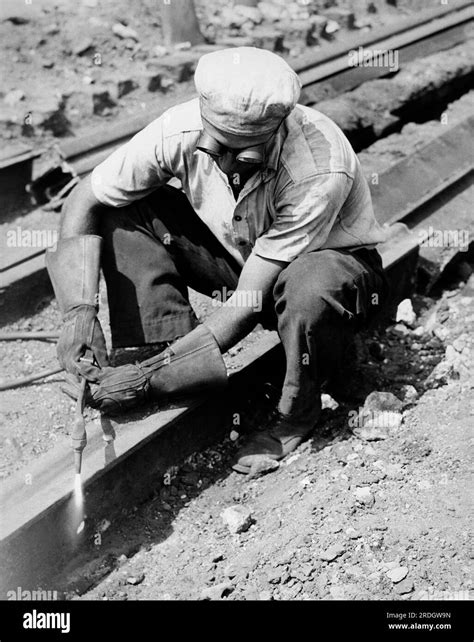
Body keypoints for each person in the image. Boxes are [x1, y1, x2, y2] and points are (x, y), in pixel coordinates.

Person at [46, 47, 388, 475]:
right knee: (124, 208)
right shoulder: (178, 129)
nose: (225, 163)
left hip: (325, 274)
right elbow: (85, 199)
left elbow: (248, 298)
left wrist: (154, 377)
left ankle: (297, 412)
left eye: (242, 153)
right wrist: (78, 315)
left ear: (274, 131)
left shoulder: (316, 168)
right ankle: (160, 351)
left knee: (309, 286)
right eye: (216, 147)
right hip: (239, 258)